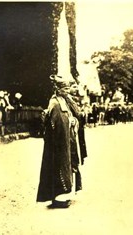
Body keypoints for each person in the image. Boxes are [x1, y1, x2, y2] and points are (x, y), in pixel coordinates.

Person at [36, 75, 83, 208]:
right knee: (58, 168)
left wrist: (73, 121)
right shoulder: (55, 103)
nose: (67, 91)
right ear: (58, 89)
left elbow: (70, 117)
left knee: (67, 167)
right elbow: (54, 124)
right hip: (57, 143)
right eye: (65, 89)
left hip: (66, 140)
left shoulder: (64, 101)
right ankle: (57, 198)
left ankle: (63, 196)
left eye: (68, 88)